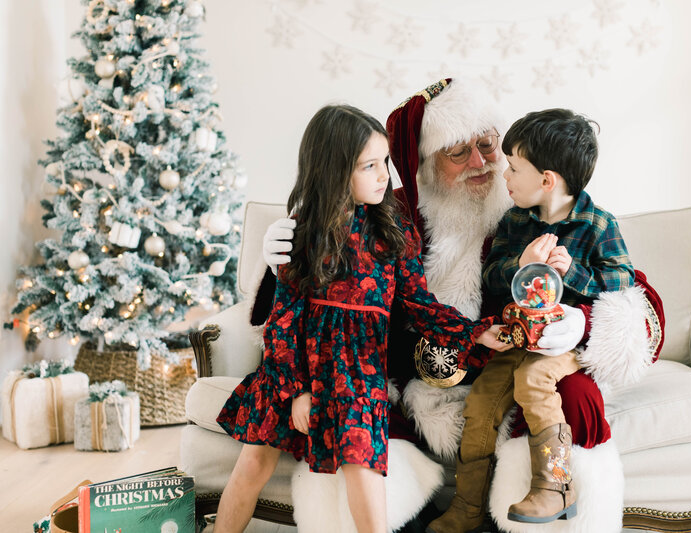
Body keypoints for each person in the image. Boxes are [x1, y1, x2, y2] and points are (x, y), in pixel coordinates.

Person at [259, 79, 664, 533]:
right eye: (456, 152)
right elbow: (313, 295)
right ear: (427, 165)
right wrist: (284, 254)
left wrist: (582, 323)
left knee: (573, 398)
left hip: (519, 369)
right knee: (359, 422)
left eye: (488, 145)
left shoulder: (539, 212)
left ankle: (553, 502)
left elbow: (635, 297)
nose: (481, 163)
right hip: (414, 385)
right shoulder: (390, 214)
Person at [214, 104, 510, 533]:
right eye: (368, 166)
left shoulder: (395, 231)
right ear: (334, 172)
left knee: (364, 471)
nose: (383, 176)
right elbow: (283, 325)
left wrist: (476, 335)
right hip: (297, 370)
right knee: (253, 462)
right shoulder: (303, 235)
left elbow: (421, 306)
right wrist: (297, 391)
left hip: (358, 375)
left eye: (384, 163)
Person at [433, 108, 635, 527]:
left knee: (534, 380)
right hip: (516, 337)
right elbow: (490, 278)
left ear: (547, 180)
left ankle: (556, 485)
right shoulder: (515, 221)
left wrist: (573, 273)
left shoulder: (598, 225)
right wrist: (520, 264)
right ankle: (467, 507)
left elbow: (620, 287)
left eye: (513, 168)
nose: (504, 176)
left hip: (564, 345)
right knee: (482, 401)